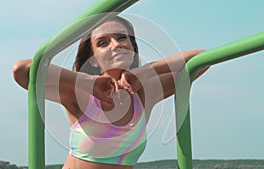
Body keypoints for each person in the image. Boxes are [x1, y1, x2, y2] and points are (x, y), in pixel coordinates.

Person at [12, 16, 209, 169]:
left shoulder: (145, 94)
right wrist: (88, 82)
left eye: (122, 37)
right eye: (103, 42)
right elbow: (23, 70)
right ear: (94, 58)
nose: (116, 44)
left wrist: (146, 72)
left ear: (132, 46)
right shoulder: (80, 94)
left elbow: (200, 60)